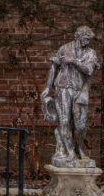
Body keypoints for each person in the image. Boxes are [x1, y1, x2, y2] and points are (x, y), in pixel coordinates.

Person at [40, 26, 99, 167]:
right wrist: (48, 87)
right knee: (64, 121)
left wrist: (73, 61)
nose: (87, 41)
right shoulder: (64, 48)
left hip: (81, 90)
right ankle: (70, 151)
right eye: (86, 38)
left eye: (89, 39)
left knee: (81, 125)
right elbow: (53, 66)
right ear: (78, 36)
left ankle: (79, 147)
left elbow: (89, 70)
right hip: (63, 88)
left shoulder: (91, 53)